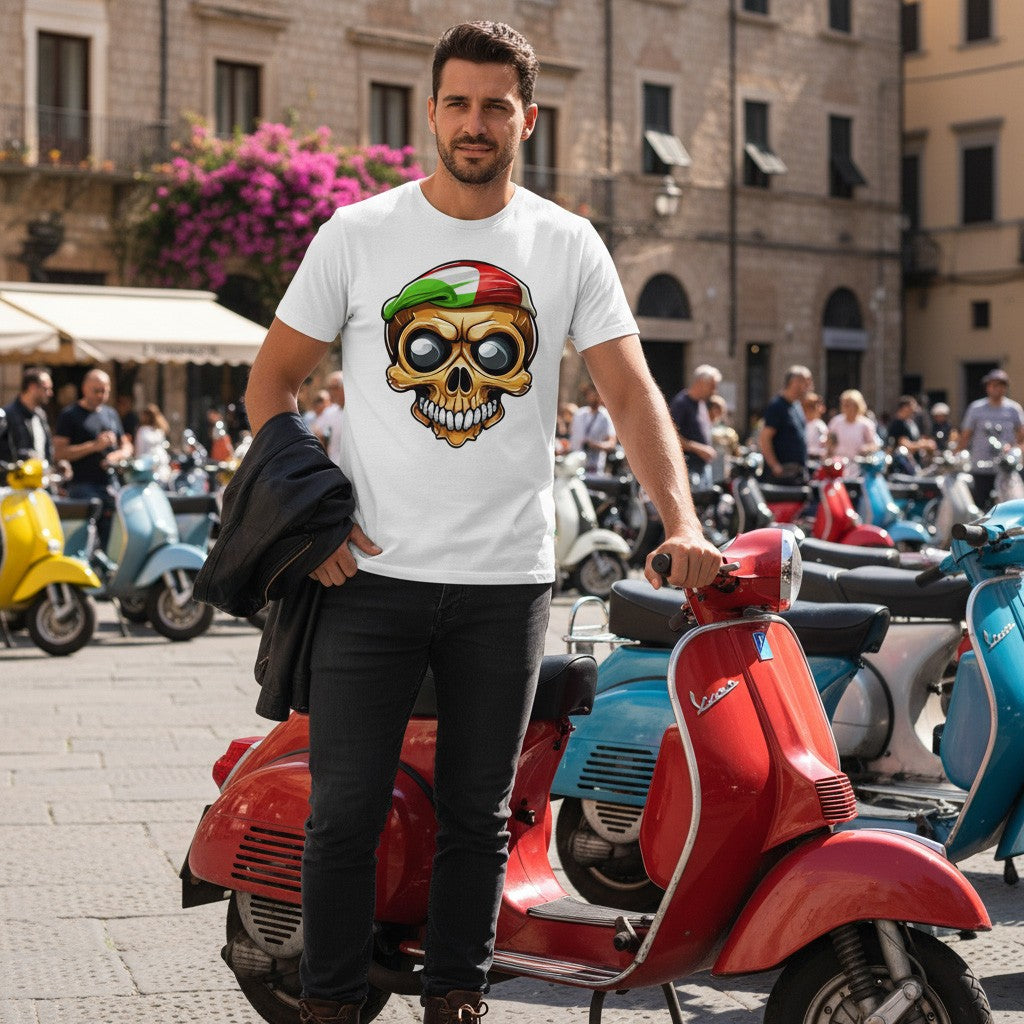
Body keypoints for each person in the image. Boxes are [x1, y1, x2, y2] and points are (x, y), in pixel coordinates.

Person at [237, 21, 722, 1024]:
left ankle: (456, 1001)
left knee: (478, 819)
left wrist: (682, 518)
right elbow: (270, 386)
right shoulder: (358, 235)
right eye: (457, 102)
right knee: (342, 817)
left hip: (507, 586)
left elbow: (632, 397)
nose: (474, 121)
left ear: (526, 118)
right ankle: (330, 1008)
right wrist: (311, 524)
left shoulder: (565, 242)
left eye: (494, 104)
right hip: (366, 581)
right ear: (430, 112)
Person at [53, 369, 133, 548]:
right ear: (84, 389)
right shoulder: (70, 415)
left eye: (104, 391)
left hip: (111, 486)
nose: (100, 395)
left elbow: (127, 446)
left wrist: (117, 455)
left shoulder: (110, 414)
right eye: (96, 390)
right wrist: (94, 446)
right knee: (83, 542)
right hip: (83, 486)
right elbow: (59, 453)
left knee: (112, 540)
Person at [957, 368, 1024, 507]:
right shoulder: (976, 408)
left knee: (1008, 506)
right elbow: (965, 435)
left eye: (999, 385)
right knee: (981, 506)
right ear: (987, 387)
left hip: (1006, 470)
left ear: (1005, 387)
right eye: (992, 385)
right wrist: (956, 454)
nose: (995, 388)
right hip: (981, 467)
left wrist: (1014, 450)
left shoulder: (1013, 409)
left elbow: (1021, 436)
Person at [669, 364, 721, 489]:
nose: (714, 391)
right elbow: (671, 436)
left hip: (702, 466)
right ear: (701, 383)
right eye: (712, 386)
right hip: (690, 467)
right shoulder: (681, 403)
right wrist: (699, 449)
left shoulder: (701, 403)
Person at [758, 365, 813, 483]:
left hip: (797, 472)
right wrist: (775, 466)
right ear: (795, 382)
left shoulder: (796, 405)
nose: (809, 387)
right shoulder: (777, 406)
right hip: (782, 475)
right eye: (806, 382)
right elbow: (765, 438)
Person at [3, 366, 54, 463]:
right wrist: (25, 455)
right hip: (17, 476)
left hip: (41, 476)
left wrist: (55, 465)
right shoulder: (7, 415)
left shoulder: (41, 415)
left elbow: (46, 450)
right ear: (32, 387)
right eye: (46, 389)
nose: (50, 393)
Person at [826, 388, 879, 476]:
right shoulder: (835, 422)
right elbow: (829, 441)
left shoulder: (866, 424)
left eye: (848, 405)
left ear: (857, 406)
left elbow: (874, 444)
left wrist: (865, 448)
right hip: (838, 465)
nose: (845, 407)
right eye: (844, 404)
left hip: (858, 466)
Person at [568, 383, 616, 472]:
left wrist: (595, 445)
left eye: (595, 394)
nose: (592, 397)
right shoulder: (579, 414)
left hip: (593, 467)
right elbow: (572, 437)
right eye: (590, 394)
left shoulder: (606, 417)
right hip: (574, 463)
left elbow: (611, 444)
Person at [885, 395, 935, 474]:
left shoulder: (910, 422)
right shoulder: (897, 423)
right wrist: (925, 444)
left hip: (913, 464)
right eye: (913, 406)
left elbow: (916, 439)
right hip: (902, 467)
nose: (915, 409)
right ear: (905, 407)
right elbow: (905, 445)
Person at [313, 370, 346, 467]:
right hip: (336, 466)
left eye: (335, 388)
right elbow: (316, 432)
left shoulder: (355, 411)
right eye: (330, 388)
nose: (331, 392)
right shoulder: (330, 412)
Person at [802, 392, 828, 464]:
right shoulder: (800, 423)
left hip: (817, 459)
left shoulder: (820, 425)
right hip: (803, 458)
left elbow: (824, 442)